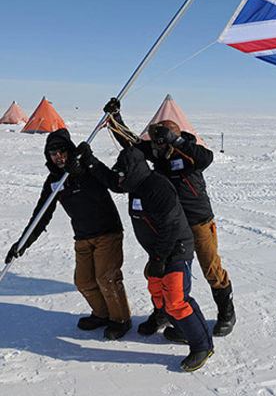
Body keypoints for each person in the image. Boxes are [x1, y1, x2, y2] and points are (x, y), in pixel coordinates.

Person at [103, 98, 236, 338]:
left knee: (210, 267)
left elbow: (207, 158)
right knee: (163, 270)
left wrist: (175, 140)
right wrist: (115, 120)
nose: (156, 147)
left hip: (198, 221)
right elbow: (132, 146)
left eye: (161, 142)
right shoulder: (158, 153)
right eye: (155, 143)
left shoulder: (190, 154)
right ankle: (163, 311)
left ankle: (226, 311)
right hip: (170, 225)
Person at [77, 142, 214, 372]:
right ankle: (173, 324)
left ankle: (202, 345)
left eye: (121, 174)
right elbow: (111, 181)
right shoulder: (133, 183)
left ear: (132, 172)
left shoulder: (157, 188)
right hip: (158, 251)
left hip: (176, 248)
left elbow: (171, 227)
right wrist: (91, 161)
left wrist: (160, 259)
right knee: (156, 288)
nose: (118, 179)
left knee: (177, 298)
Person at [4, 129, 131, 340]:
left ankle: (120, 320)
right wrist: (22, 243)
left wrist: (90, 161)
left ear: (69, 151)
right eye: (53, 153)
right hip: (82, 237)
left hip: (107, 233)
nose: (58, 157)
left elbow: (114, 183)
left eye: (62, 151)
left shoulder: (88, 170)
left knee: (106, 278)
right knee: (83, 281)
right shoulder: (55, 182)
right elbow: (40, 216)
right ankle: (101, 314)